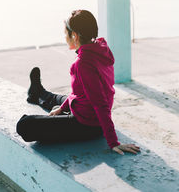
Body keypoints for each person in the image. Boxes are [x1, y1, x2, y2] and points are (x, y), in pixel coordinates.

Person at [16, 10, 140, 155]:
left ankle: (42, 102)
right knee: (60, 99)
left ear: (74, 35)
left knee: (24, 125)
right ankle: (37, 93)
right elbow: (78, 93)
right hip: (85, 109)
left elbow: (100, 104)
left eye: (65, 33)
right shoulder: (101, 48)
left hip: (87, 125)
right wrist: (61, 109)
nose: (64, 37)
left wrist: (113, 142)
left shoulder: (83, 64)